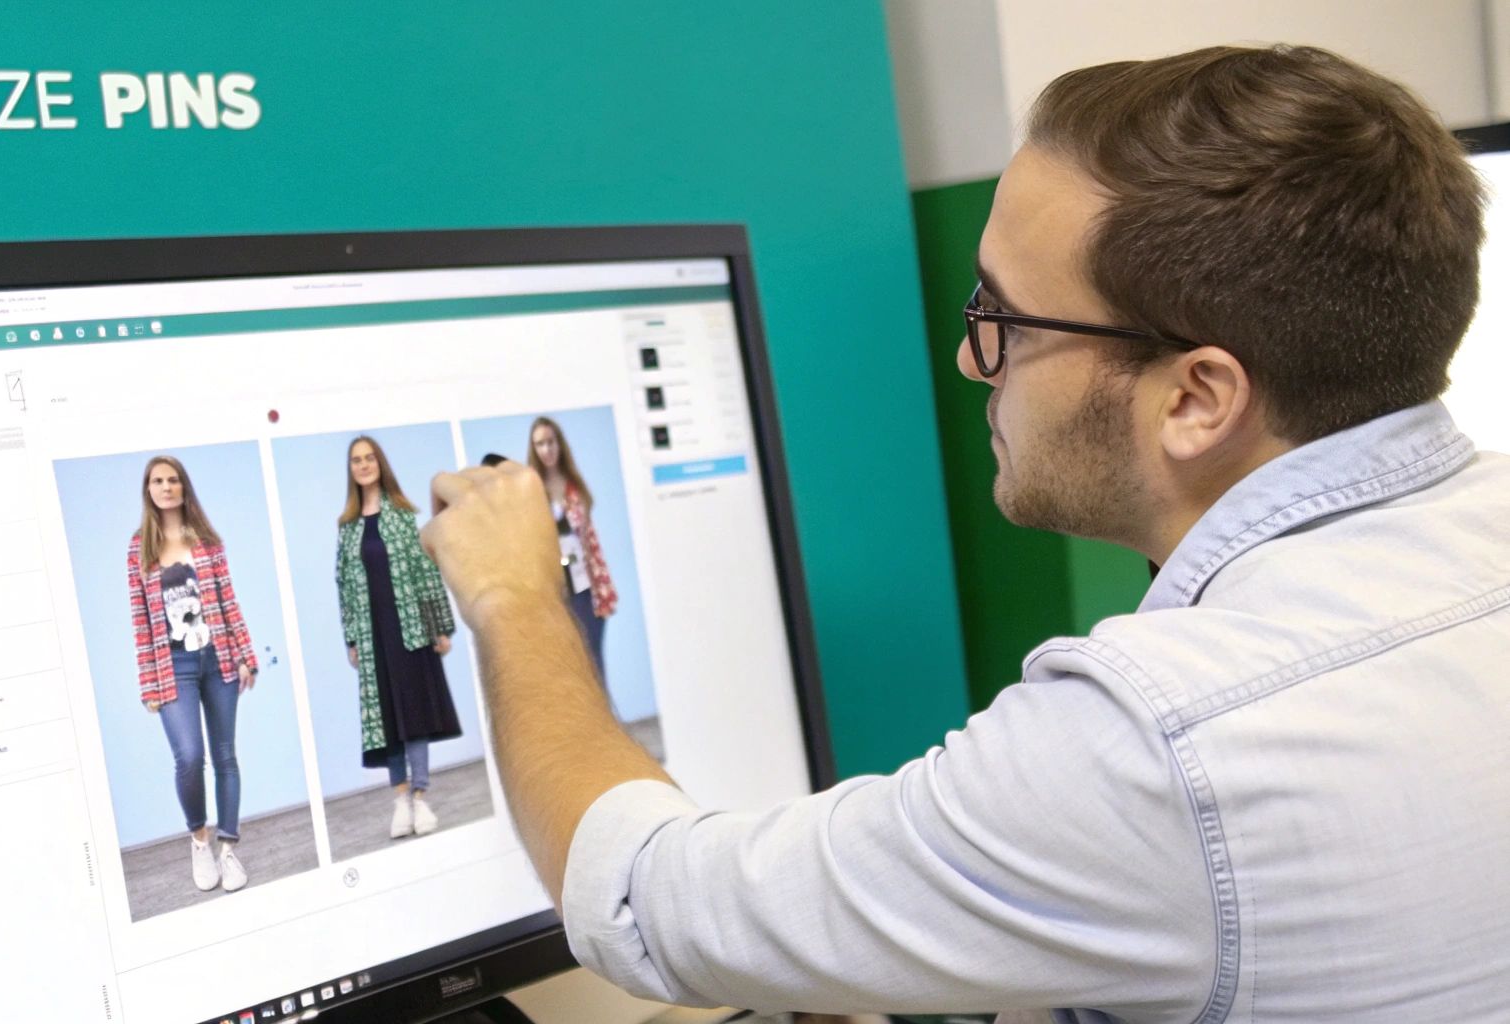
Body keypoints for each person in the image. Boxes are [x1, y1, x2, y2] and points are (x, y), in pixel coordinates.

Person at [419, 45, 1510, 1021]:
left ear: (1194, 398)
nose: (969, 361)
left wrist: (514, 596)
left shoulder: (1159, 746)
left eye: (1004, 321)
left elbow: (643, 902)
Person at [127, 455, 258, 894]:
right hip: (173, 666)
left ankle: (228, 849)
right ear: (148, 490)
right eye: (157, 481)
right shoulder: (138, 549)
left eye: (173, 480)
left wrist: (246, 655)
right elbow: (140, 621)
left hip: (219, 658)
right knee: (188, 756)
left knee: (225, 756)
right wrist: (148, 683)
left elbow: (228, 600)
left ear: (183, 486)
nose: (166, 487)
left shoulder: (207, 542)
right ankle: (200, 840)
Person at [335, 435, 461, 840]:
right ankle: (400, 800)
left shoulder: (403, 515)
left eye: (369, 458)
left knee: (414, 714)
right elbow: (343, 584)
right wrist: (351, 639)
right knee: (385, 719)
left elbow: (426, 571)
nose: (363, 465)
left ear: (380, 464)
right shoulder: (348, 528)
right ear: (351, 469)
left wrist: (439, 626)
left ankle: (421, 797)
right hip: (371, 635)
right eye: (356, 460)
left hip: (408, 628)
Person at [527, 416, 617, 682]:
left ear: (560, 444)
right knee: (570, 671)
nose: (547, 449)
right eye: (540, 444)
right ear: (534, 449)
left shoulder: (574, 487)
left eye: (551, 442)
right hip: (556, 593)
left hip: (585, 590)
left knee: (595, 667)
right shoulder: (532, 493)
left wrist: (604, 591)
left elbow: (590, 541)